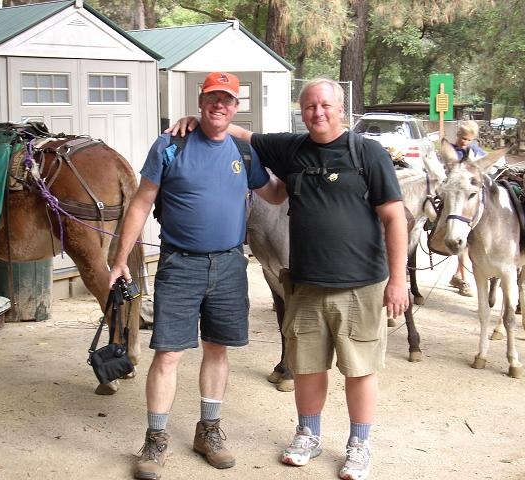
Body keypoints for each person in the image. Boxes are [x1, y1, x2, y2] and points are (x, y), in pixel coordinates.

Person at [172, 77, 409, 480]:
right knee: (308, 367)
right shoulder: (292, 148)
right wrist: (195, 120)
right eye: (310, 106)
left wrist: (398, 279)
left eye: (325, 105)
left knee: (359, 369)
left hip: (360, 285)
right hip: (305, 284)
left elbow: (393, 216)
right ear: (302, 111)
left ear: (341, 109)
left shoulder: (366, 153)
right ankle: (308, 435)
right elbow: (240, 131)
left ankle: (359, 446)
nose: (318, 112)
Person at [109, 71, 286, 480]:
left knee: (217, 349)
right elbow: (140, 203)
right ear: (201, 101)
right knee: (168, 353)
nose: (218, 105)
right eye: (212, 98)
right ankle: (155, 439)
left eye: (227, 99)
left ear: (236, 106)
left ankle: (209, 430)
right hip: (180, 264)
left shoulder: (244, 153)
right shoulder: (172, 144)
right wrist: (120, 260)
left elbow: (274, 193)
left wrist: (298, 171)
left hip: (228, 266)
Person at [448, 120, 486, 297]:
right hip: (452, 198)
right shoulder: (450, 152)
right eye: (463, 138)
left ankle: (458, 274)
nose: (465, 142)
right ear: (457, 135)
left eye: (469, 140)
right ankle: (463, 279)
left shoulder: (475, 153)